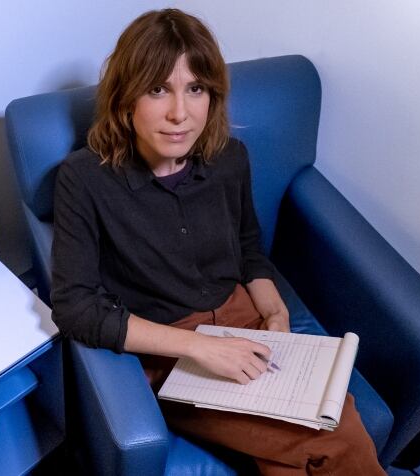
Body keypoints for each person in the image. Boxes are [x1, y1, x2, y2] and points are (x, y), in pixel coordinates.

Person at [51, 8, 385, 475]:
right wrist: (200, 348)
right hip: (170, 348)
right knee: (335, 433)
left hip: (243, 319)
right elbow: (74, 308)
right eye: (157, 90)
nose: (179, 114)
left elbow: (249, 248)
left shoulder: (230, 157)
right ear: (126, 100)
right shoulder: (84, 179)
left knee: (296, 453)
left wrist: (273, 311)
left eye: (195, 89)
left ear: (213, 96)